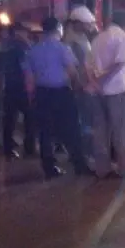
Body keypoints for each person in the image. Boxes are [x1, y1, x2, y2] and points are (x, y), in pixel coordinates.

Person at [23, 17, 90, 179]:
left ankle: (49, 168)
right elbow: (72, 71)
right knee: (71, 130)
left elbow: (29, 79)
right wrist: (79, 87)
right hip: (61, 93)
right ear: (58, 29)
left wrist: (32, 97)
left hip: (42, 94)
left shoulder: (32, 51)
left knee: (45, 133)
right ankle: (79, 164)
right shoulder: (62, 48)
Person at [90, 9, 125, 178]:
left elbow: (89, 65)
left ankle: (103, 168)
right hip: (118, 90)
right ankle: (124, 168)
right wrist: (103, 78)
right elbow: (119, 63)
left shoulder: (99, 38)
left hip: (99, 92)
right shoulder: (122, 37)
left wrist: (96, 82)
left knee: (101, 131)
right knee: (121, 131)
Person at [65, 6, 99, 163]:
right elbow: (75, 68)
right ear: (77, 23)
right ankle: (84, 155)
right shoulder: (72, 42)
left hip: (85, 86)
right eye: (86, 24)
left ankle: (84, 154)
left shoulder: (81, 38)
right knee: (84, 122)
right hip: (81, 88)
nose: (89, 27)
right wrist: (83, 85)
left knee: (86, 122)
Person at [0, 23, 36, 159]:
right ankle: (29, 147)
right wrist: (30, 87)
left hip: (9, 86)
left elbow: (0, 68)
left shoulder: (5, 47)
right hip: (21, 87)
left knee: (9, 119)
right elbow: (26, 68)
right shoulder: (21, 48)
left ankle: (8, 148)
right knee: (29, 118)